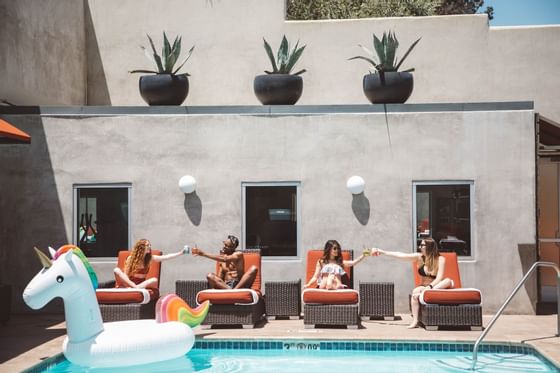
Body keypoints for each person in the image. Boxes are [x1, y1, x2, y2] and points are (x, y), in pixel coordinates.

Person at [371, 238, 453, 329]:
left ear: (429, 247)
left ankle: (425, 292)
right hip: (424, 287)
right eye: (420, 245)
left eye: (422, 245)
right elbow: (401, 255)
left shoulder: (440, 259)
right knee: (415, 293)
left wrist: (429, 287)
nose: (420, 247)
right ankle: (415, 321)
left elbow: (439, 278)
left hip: (437, 286)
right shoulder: (419, 257)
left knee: (448, 281)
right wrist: (382, 252)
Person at [114, 238, 187, 289]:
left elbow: (166, 257)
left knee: (154, 280)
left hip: (140, 285)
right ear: (141, 247)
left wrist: (181, 253)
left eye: (150, 245)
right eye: (148, 245)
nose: (150, 247)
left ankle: (136, 287)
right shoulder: (131, 259)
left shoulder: (150, 258)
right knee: (116, 270)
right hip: (129, 284)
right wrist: (131, 285)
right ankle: (134, 287)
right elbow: (126, 275)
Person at [191, 235, 258, 290]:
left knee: (253, 269)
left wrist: (203, 254)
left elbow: (225, 259)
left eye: (227, 246)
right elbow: (220, 278)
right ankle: (232, 291)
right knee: (210, 276)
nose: (224, 247)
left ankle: (234, 291)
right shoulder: (221, 260)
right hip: (227, 286)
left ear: (233, 248)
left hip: (240, 285)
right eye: (225, 244)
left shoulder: (238, 255)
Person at [304, 240, 368, 290]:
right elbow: (315, 276)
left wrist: (363, 255)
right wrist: (308, 284)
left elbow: (353, 262)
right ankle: (329, 284)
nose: (337, 250)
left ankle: (331, 285)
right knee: (329, 277)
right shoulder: (321, 261)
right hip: (324, 285)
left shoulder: (339, 262)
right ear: (329, 249)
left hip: (336, 285)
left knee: (332, 276)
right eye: (334, 248)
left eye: (338, 248)